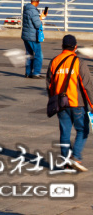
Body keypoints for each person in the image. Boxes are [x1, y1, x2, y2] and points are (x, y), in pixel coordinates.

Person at [47, 34, 93, 172]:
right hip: (77, 103)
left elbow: (49, 85)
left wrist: (53, 100)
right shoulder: (79, 62)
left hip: (61, 104)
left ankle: (66, 161)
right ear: (75, 47)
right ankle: (76, 157)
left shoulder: (54, 61)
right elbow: (87, 86)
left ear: (62, 46)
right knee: (83, 130)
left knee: (65, 132)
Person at [22, 0, 46, 79]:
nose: (39, 3)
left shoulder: (26, 9)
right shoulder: (33, 11)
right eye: (38, 1)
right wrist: (41, 17)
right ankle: (36, 73)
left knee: (29, 55)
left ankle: (28, 73)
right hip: (32, 36)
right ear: (36, 1)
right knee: (39, 55)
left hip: (26, 35)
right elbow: (37, 24)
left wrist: (39, 17)